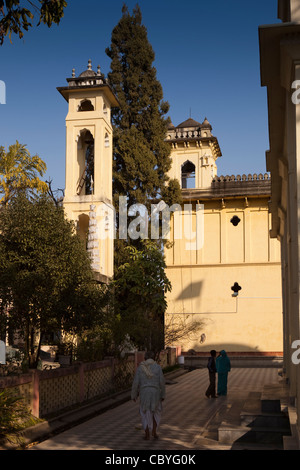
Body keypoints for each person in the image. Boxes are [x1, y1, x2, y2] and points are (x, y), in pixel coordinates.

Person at [131, 351, 166, 440]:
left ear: (145, 358)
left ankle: (147, 434)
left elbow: (136, 382)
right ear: (154, 358)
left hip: (144, 393)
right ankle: (154, 431)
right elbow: (162, 382)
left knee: (145, 413)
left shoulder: (140, 368)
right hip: (156, 393)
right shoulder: (158, 367)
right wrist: (163, 394)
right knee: (156, 413)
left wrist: (134, 395)